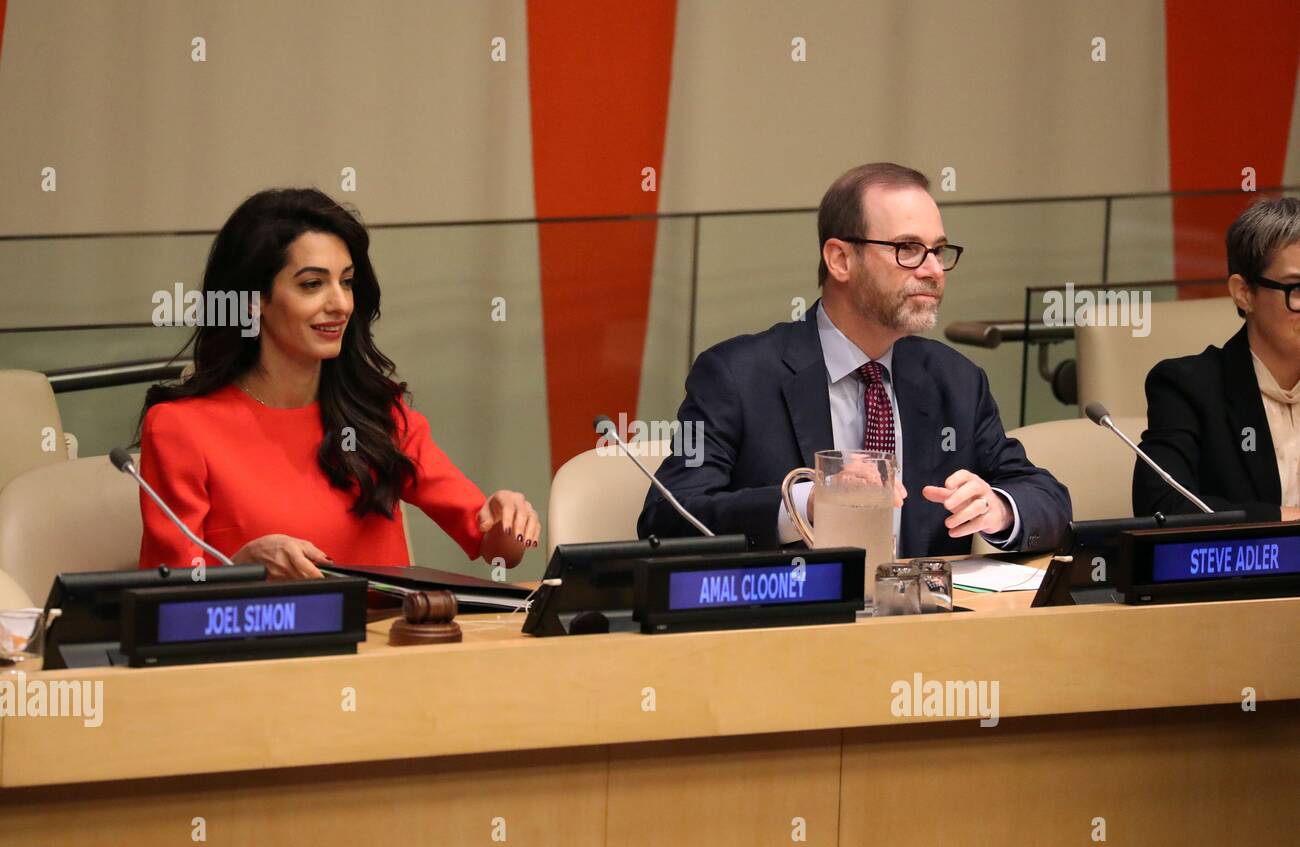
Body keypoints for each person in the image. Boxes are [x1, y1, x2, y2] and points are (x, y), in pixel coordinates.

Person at [637, 162, 1071, 556]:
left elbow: (1046, 497)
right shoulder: (736, 375)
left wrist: (1000, 509)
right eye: (907, 249)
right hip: (794, 626)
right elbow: (670, 515)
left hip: (924, 628)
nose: (933, 270)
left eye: (938, 251)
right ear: (840, 259)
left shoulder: (954, 379)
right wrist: (807, 503)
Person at [136, 188, 540, 579]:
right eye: (312, 284)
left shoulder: (378, 414)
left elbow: (495, 548)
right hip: (264, 644)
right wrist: (240, 569)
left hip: (391, 645)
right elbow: (164, 598)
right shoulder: (179, 427)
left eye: (346, 282)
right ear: (252, 300)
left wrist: (508, 522)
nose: (341, 303)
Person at [1134, 197, 1300, 523]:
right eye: (1296, 288)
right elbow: (1163, 505)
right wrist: (1287, 518)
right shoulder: (1188, 386)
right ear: (1244, 293)